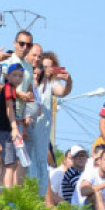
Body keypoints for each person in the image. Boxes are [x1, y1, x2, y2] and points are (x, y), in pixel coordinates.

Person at [28, 48, 72, 196]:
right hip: (32, 129)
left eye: (50, 67)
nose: (47, 70)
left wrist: (68, 80)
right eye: (44, 66)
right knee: (31, 162)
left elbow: (64, 91)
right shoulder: (32, 82)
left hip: (43, 133)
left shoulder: (51, 85)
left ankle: (38, 197)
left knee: (41, 163)